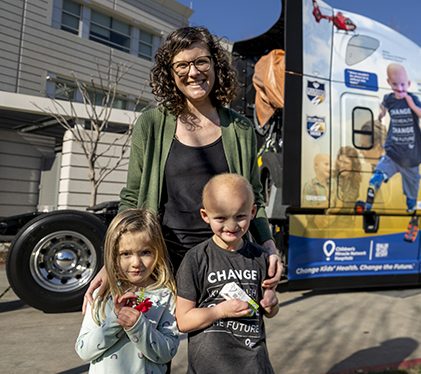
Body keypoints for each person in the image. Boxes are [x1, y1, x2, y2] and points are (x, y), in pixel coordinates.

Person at [84, 26, 282, 312]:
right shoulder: (151, 124)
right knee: (153, 350)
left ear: (216, 64)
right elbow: (131, 198)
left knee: (222, 350)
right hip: (162, 259)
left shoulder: (241, 129)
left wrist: (269, 246)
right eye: (182, 65)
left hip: (224, 261)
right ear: (170, 72)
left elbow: (254, 197)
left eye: (201, 61)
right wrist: (111, 262)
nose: (193, 72)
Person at [176, 173, 279, 374]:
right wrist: (220, 311)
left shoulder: (260, 256)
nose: (231, 226)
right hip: (208, 369)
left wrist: (272, 303)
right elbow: (183, 321)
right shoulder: (195, 259)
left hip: (254, 367)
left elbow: (269, 312)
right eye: (221, 218)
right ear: (205, 216)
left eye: (240, 216)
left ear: (252, 212)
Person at [76, 209, 180, 374]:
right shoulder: (102, 295)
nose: (136, 263)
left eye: (145, 252)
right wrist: (115, 321)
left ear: (158, 251)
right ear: (113, 256)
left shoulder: (165, 296)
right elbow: (84, 351)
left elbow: (167, 353)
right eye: (125, 254)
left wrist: (139, 327)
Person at [365, 62, 421, 213]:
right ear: (388, 83)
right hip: (394, 150)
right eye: (395, 84)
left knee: (411, 181)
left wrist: (412, 105)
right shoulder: (389, 99)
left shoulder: (412, 99)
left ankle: (410, 204)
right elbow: (384, 104)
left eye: (403, 85)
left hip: (411, 155)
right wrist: (382, 113)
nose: (399, 89)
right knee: (385, 166)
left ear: (409, 84)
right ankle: (376, 181)